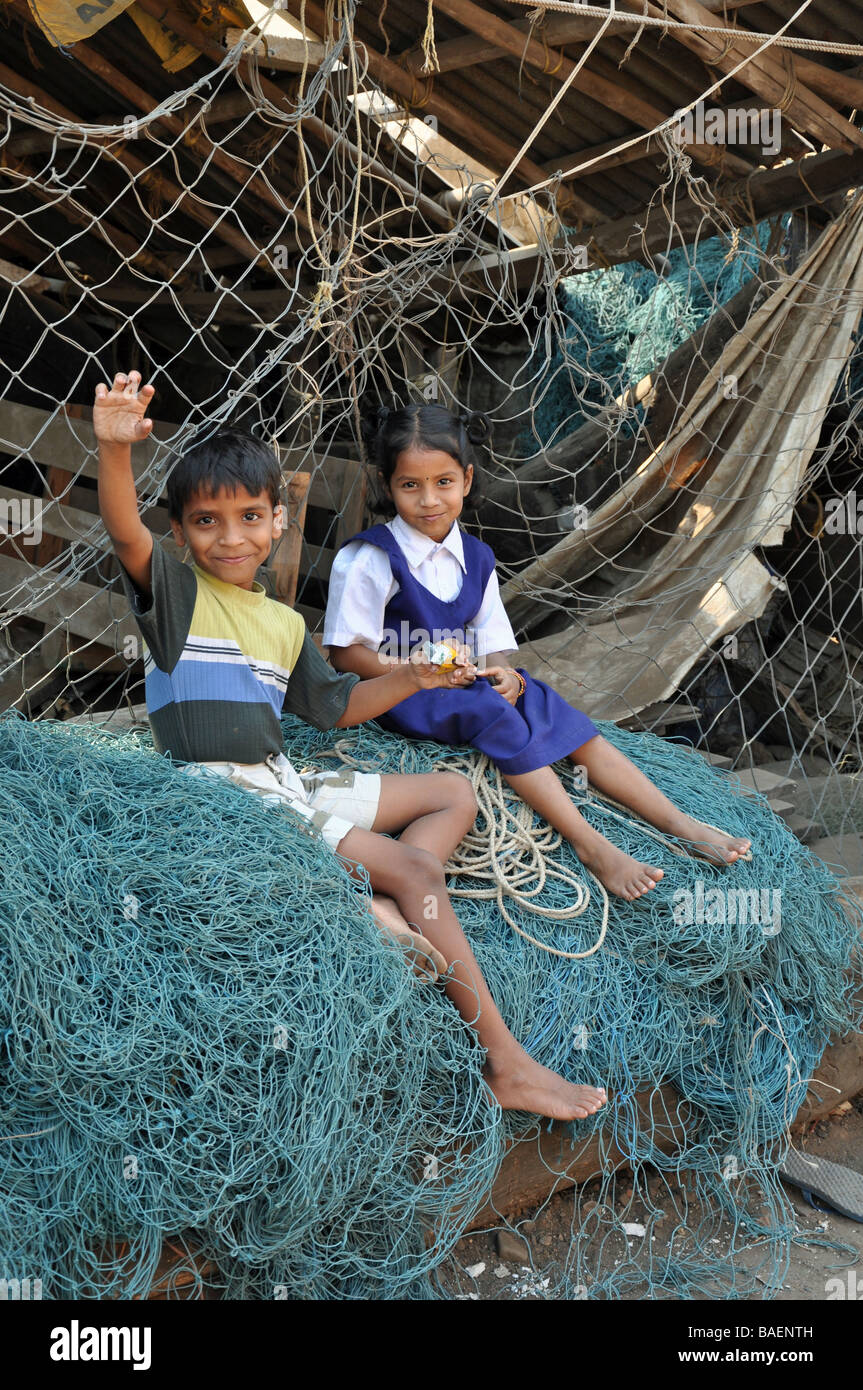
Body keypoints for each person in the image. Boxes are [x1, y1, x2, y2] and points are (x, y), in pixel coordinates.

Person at [93, 371, 607, 1123]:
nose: (231, 538)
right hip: (227, 797)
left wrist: (411, 676)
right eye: (206, 522)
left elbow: (335, 709)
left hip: (281, 781)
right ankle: (505, 1059)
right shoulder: (176, 596)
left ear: (278, 521)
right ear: (180, 534)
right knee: (413, 866)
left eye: (249, 517)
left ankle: (384, 900)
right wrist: (113, 450)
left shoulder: (283, 623)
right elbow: (123, 532)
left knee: (452, 793)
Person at [325, 403, 752, 901]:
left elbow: (492, 648)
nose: (429, 499)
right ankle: (592, 846)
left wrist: (506, 676)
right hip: (396, 694)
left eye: (443, 482)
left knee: (540, 697)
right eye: (410, 485)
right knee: (487, 710)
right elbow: (345, 656)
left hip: (453, 684)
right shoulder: (369, 558)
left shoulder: (476, 557)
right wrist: (414, 672)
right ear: (387, 484)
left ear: (466, 479)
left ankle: (679, 822)